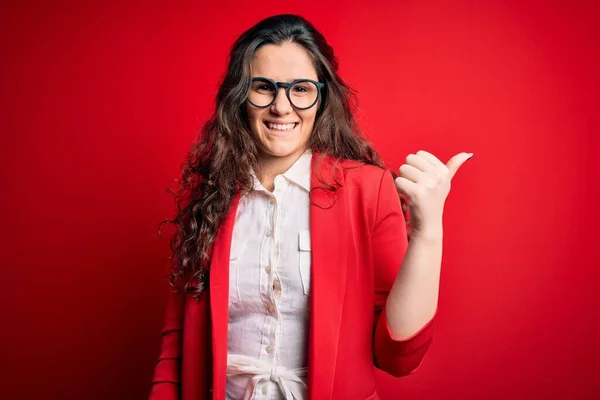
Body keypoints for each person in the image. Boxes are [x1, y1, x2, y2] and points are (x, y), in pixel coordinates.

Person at [149, 13, 472, 400]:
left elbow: (397, 357)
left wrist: (427, 232)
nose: (282, 107)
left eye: (300, 89)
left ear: (322, 97)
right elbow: (176, 345)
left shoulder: (367, 190)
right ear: (240, 96)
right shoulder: (211, 196)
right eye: (264, 87)